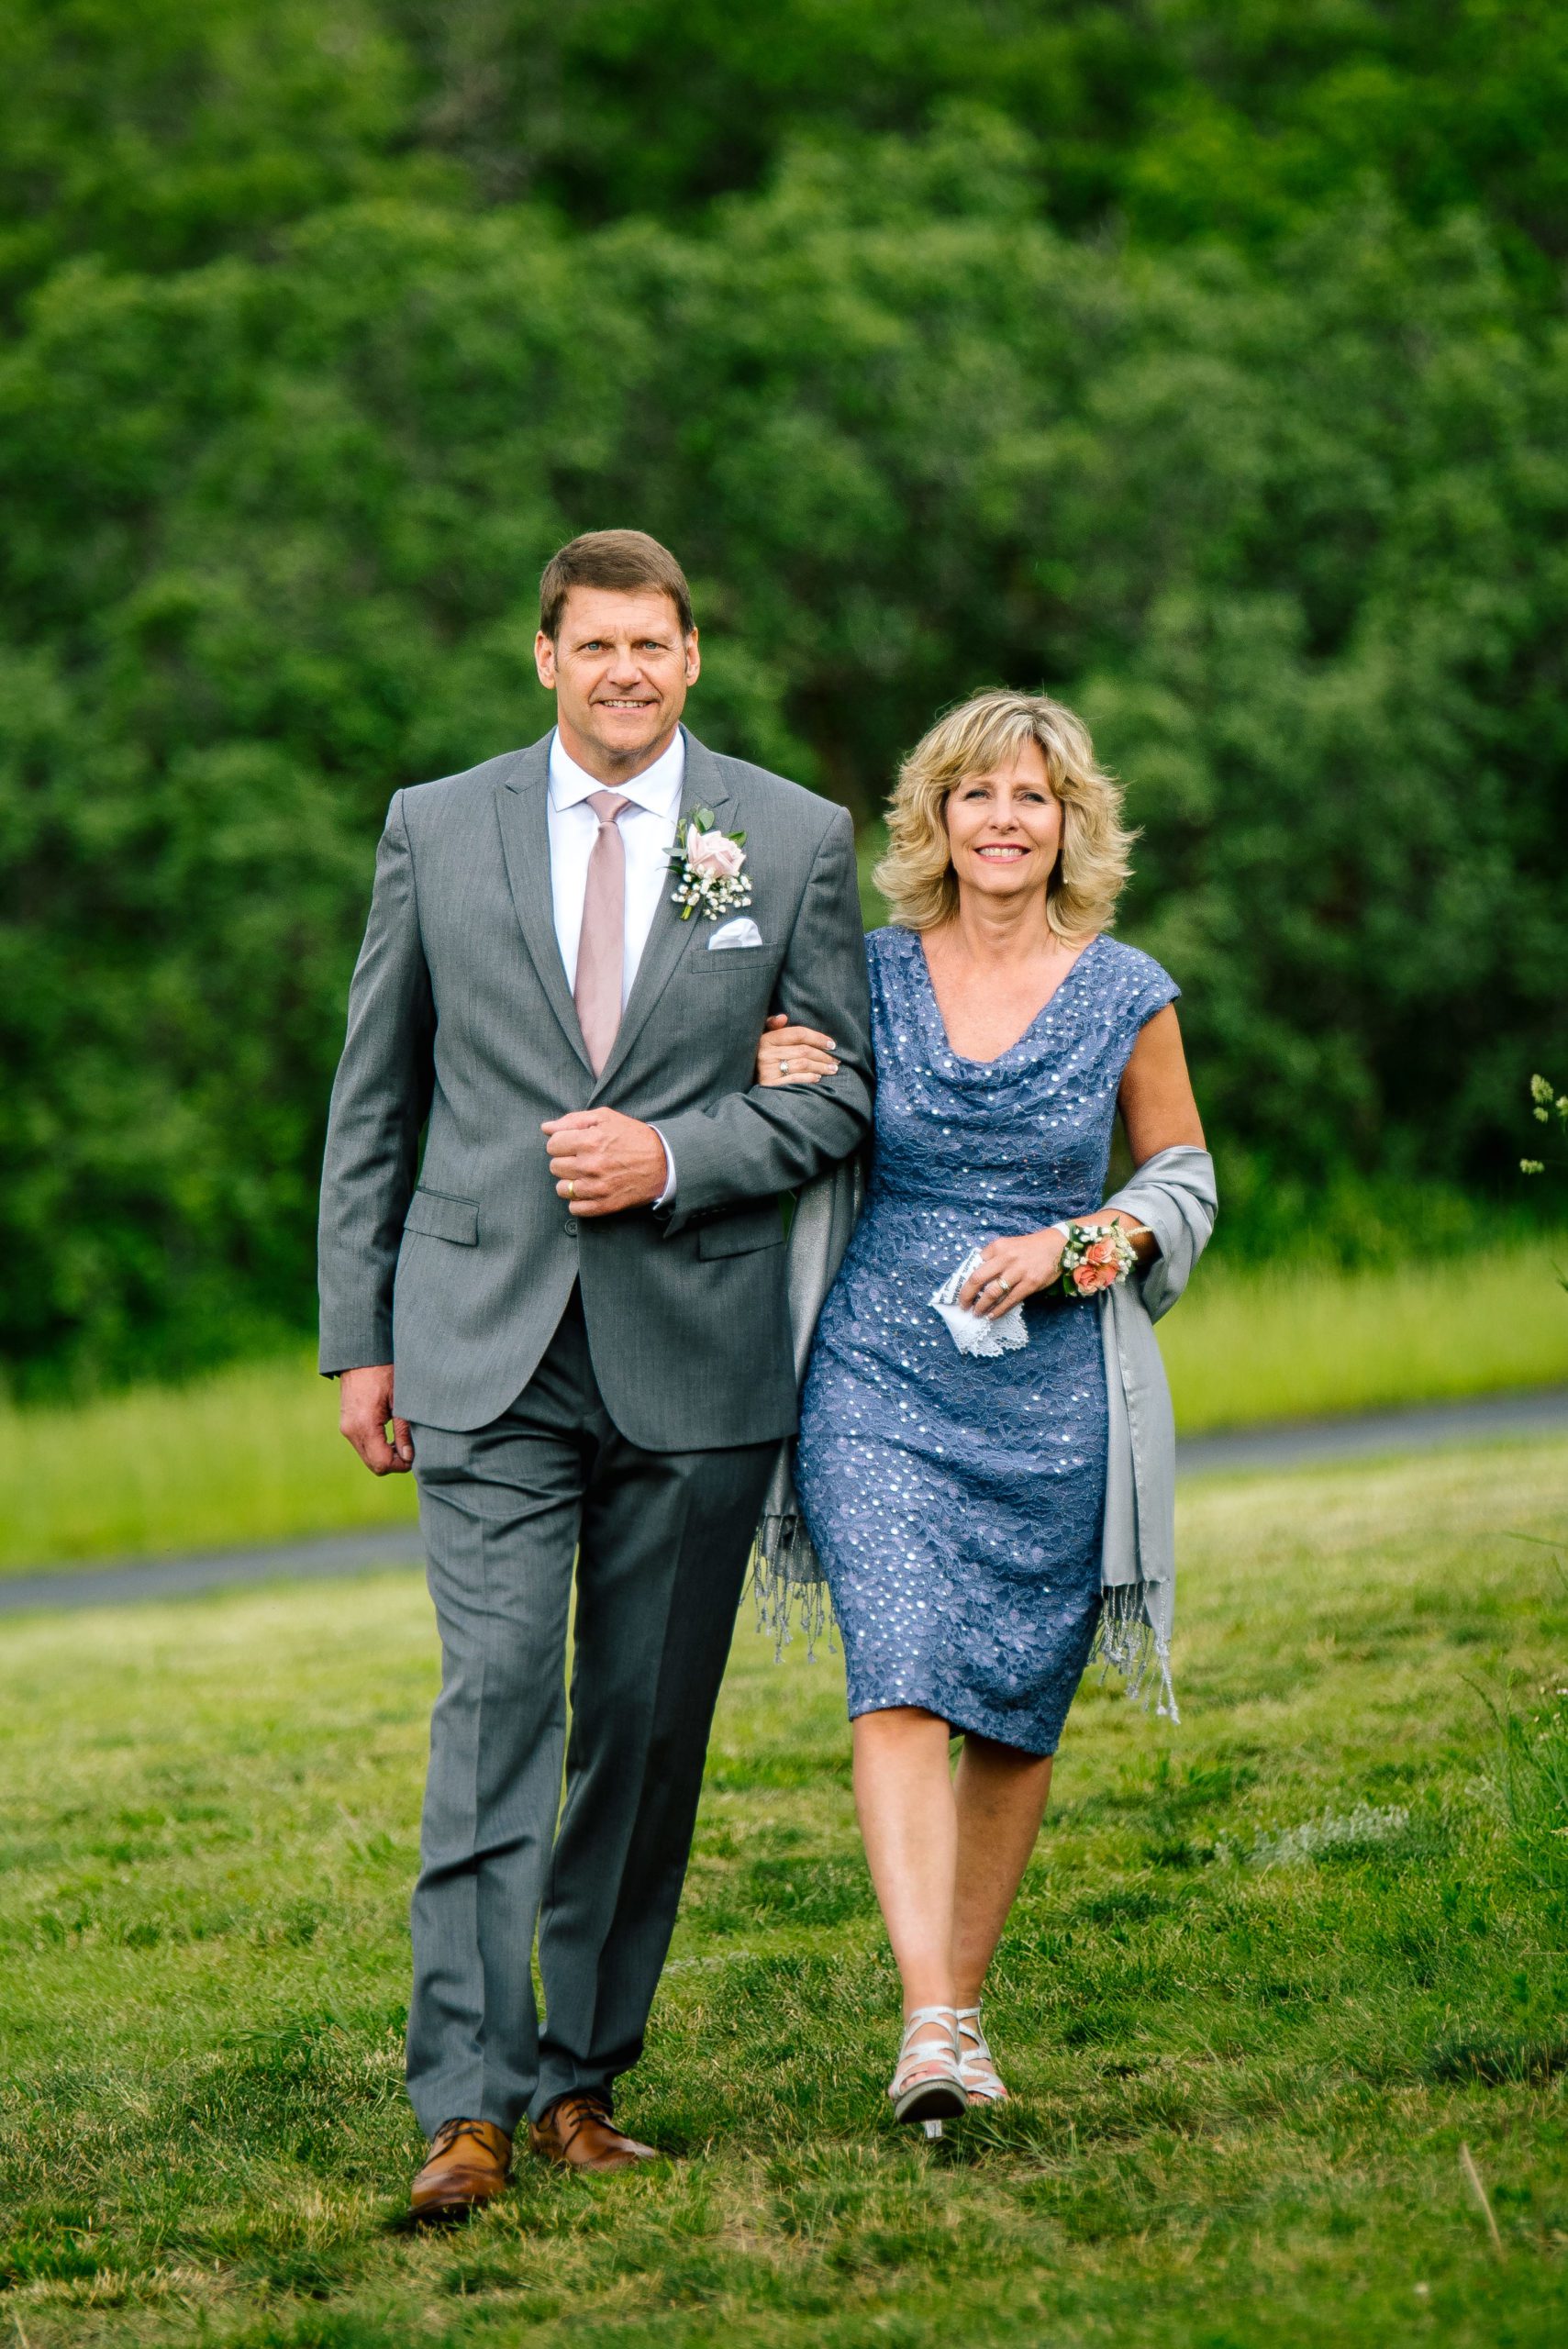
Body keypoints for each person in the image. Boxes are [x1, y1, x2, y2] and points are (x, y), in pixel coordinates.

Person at [317, 529, 873, 2220]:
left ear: (691, 658)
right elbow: (374, 1096)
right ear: (545, 657)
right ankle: (464, 2108)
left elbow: (839, 1096)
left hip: (696, 1351)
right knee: (495, 1706)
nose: (626, 670)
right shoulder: (435, 824)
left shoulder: (791, 836)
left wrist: (679, 1153)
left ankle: (577, 2082)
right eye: (596, 644)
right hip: (480, 1341)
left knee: (640, 1732)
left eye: (654, 644)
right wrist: (361, 1337)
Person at [755, 689, 1214, 2131]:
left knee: (1014, 1707)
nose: (1003, 820)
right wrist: (775, 1071)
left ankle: (958, 2010)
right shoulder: (868, 972)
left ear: (1070, 824)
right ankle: (924, 2024)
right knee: (896, 1672)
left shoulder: (1125, 989)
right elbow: (796, 1115)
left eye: (1032, 797)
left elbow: (1181, 1175)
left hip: (1053, 1394)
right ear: (936, 818)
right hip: (876, 1375)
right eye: (977, 794)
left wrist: (1076, 1245)